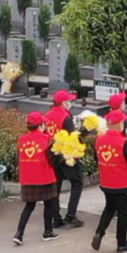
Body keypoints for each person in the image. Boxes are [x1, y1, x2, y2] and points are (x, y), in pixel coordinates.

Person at [92, 108, 127, 253]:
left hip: (106, 182)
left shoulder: (98, 140)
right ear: (120, 124)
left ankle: (99, 232)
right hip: (122, 183)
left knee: (109, 207)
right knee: (123, 212)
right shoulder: (124, 143)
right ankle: (121, 242)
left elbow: (97, 159)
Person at [13, 112, 61, 246]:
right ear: (41, 125)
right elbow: (53, 161)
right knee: (49, 203)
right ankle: (48, 231)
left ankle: (19, 233)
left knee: (29, 206)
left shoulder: (22, 140)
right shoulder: (47, 139)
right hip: (45, 177)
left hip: (27, 178)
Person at [43, 89, 84, 228]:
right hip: (66, 155)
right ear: (63, 103)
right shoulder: (65, 117)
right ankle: (70, 215)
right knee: (77, 182)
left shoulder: (47, 115)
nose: (70, 103)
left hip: (52, 154)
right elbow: (72, 137)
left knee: (56, 185)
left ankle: (56, 217)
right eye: (68, 101)